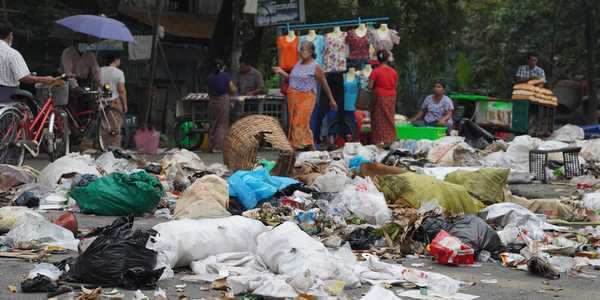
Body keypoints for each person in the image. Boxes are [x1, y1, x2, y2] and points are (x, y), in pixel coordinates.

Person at [273, 40, 337, 151]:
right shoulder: (298, 63)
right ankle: (313, 151)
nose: (300, 51)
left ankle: (292, 149)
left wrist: (332, 100)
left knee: (299, 123)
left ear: (311, 51)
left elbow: (324, 83)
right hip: (293, 98)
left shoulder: (315, 66)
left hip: (307, 97)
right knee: (299, 124)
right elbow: (292, 79)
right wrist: (281, 71)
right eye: (300, 49)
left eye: (303, 49)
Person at [0, 22, 55, 102]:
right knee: (29, 100)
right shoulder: (11, 53)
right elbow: (24, 78)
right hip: (7, 94)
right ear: (9, 35)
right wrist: (44, 79)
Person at [59, 41, 101, 113]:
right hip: (68, 82)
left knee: (87, 105)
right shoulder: (68, 52)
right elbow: (68, 72)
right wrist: (75, 86)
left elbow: (96, 71)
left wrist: (100, 85)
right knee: (72, 107)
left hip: (83, 82)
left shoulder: (90, 54)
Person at [368, 50, 398, 147]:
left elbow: (370, 86)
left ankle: (379, 140)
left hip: (379, 97)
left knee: (378, 119)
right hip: (392, 97)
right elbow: (395, 85)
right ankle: (390, 139)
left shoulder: (375, 71)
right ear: (387, 58)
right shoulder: (393, 71)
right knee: (389, 117)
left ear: (378, 59)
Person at [207, 59, 237, 153]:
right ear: (223, 67)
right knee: (222, 123)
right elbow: (232, 89)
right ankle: (218, 146)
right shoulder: (225, 76)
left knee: (213, 122)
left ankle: (211, 145)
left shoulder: (210, 77)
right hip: (222, 100)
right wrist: (235, 90)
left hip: (212, 101)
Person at [99, 53, 127, 148]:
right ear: (116, 60)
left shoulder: (100, 70)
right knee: (115, 127)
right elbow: (121, 90)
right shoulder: (119, 73)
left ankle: (104, 147)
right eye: (119, 59)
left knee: (103, 126)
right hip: (114, 102)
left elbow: (98, 85)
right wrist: (125, 104)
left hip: (102, 101)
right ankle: (114, 148)